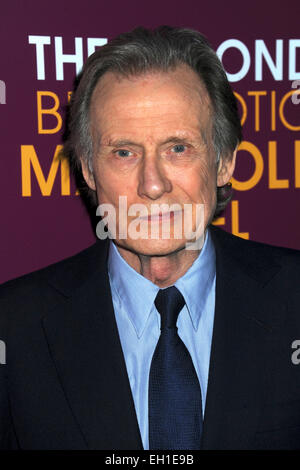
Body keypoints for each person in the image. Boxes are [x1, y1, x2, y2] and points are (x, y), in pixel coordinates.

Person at [1, 26, 300, 451]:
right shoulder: (15, 328)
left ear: (224, 162)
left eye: (178, 148)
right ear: (88, 170)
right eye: (124, 152)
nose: (152, 184)